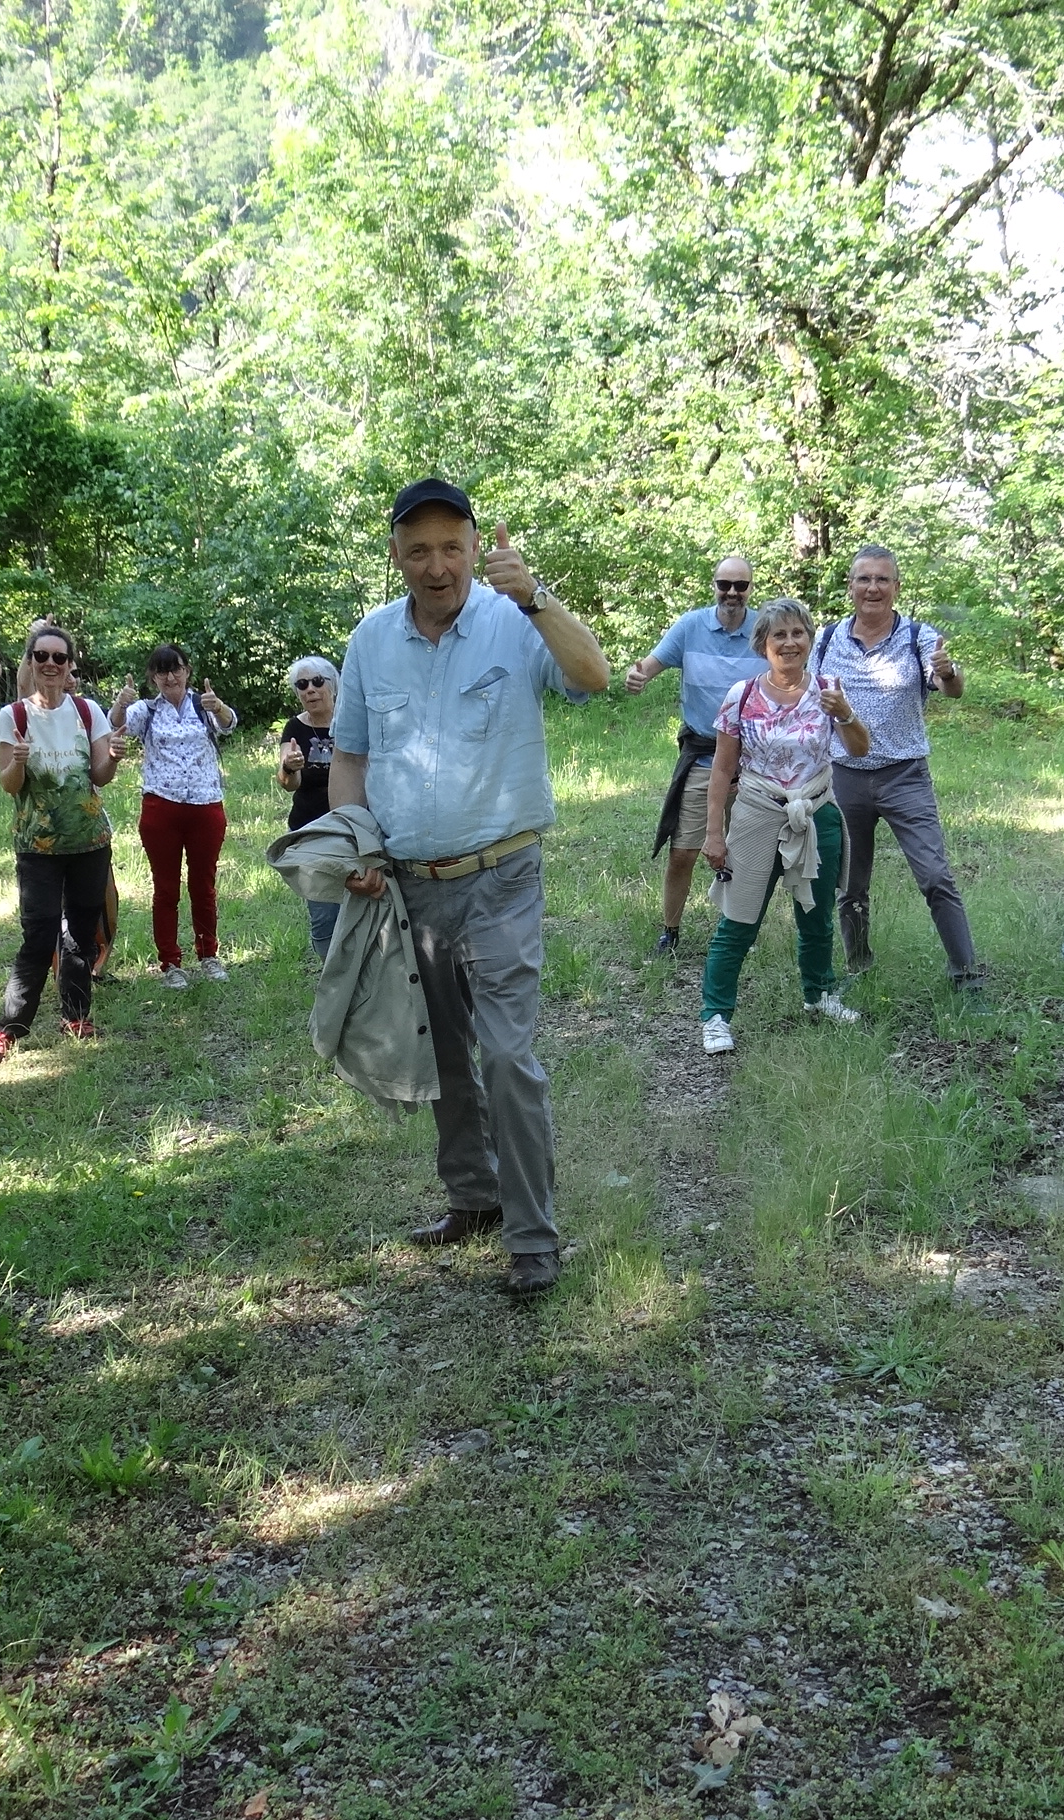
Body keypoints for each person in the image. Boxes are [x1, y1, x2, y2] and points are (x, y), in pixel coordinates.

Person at [331, 477, 609, 1296]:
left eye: (452, 547)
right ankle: (474, 1198)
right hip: (409, 890)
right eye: (418, 550)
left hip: (501, 878)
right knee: (444, 1053)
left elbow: (593, 677)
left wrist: (540, 598)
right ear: (395, 556)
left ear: (475, 546)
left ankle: (533, 1236)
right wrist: (355, 845)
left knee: (509, 1057)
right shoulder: (371, 640)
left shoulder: (513, 620)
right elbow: (349, 757)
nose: (437, 565)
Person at [697, 599, 867, 1053]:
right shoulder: (742, 696)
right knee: (740, 918)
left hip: (816, 815)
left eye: (798, 633)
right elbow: (720, 771)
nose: (790, 642)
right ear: (763, 644)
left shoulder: (830, 689)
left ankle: (820, 996)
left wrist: (845, 712)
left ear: (810, 640)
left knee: (817, 917)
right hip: (756, 813)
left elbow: (860, 747)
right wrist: (714, 833)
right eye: (780, 635)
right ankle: (715, 1016)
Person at [810, 545, 982, 986]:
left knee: (935, 875)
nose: (873, 588)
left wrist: (949, 671)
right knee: (850, 884)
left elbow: (952, 686)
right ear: (850, 587)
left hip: (904, 776)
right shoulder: (827, 640)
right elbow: (807, 705)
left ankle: (965, 974)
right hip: (843, 774)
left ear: (896, 587)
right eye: (864, 579)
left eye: (882, 579)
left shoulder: (918, 637)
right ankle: (858, 967)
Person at [0, 621, 124, 1063]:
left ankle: (76, 1015)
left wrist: (114, 759)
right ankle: (10, 1027)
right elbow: (8, 785)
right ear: (29, 662)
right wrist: (19, 763)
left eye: (58, 657)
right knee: (39, 935)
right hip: (38, 847)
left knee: (82, 935)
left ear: (69, 665)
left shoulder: (87, 712)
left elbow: (99, 776)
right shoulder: (14, 716)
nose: (49, 664)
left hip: (88, 841)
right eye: (40, 656)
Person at [623, 555, 761, 955]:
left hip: (753, 762)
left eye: (741, 585)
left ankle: (737, 930)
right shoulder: (690, 626)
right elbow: (648, 666)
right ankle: (671, 930)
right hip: (703, 756)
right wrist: (638, 677)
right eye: (725, 584)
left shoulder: (763, 631)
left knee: (746, 852)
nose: (732, 593)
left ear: (750, 589)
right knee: (683, 851)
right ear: (714, 586)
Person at [112, 645, 238, 988]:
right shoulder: (147, 710)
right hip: (161, 808)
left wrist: (220, 706)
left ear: (188, 671)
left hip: (206, 806)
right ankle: (170, 963)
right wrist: (121, 702)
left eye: (176, 669)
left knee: (204, 885)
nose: (170, 677)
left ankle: (208, 955)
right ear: (153, 677)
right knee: (165, 889)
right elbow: (117, 725)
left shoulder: (204, 705)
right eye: (162, 671)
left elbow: (228, 725)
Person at [277, 654, 342, 959]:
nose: (310, 690)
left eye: (317, 682)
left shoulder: (352, 719)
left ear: (333, 685)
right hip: (310, 832)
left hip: (352, 829)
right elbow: (288, 782)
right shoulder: (294, 728)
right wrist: (290, 767)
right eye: (302, 685)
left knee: (358, 909)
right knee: (323, 914)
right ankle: (333, 980)